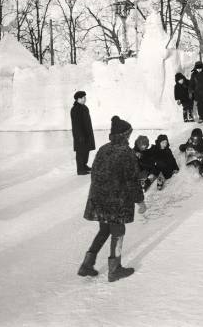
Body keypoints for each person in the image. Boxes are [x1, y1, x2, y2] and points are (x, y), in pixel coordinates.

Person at [79, 115, 146, 282]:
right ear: (124, 135)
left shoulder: (103, 149)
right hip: (117, 202)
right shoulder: (127, 153)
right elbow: (132, 181)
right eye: (129, 134)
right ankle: (115, 269)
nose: (130, 137)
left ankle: (87, 264)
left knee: (104, 230)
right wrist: (140, 201)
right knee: (118, 231)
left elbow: (94, 173)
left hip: (100, 200)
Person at [70, 90, 95, 175]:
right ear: (78, 99)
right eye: (83, 97)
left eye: (85, 97)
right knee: (80, 152)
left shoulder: (84, 107)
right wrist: (80, 136)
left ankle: (84, 165)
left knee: (86, 150)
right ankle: (80, 169)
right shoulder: (75, 109)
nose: (85, 99)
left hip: (87, 134)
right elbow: (76, 125)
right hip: (80, 135)